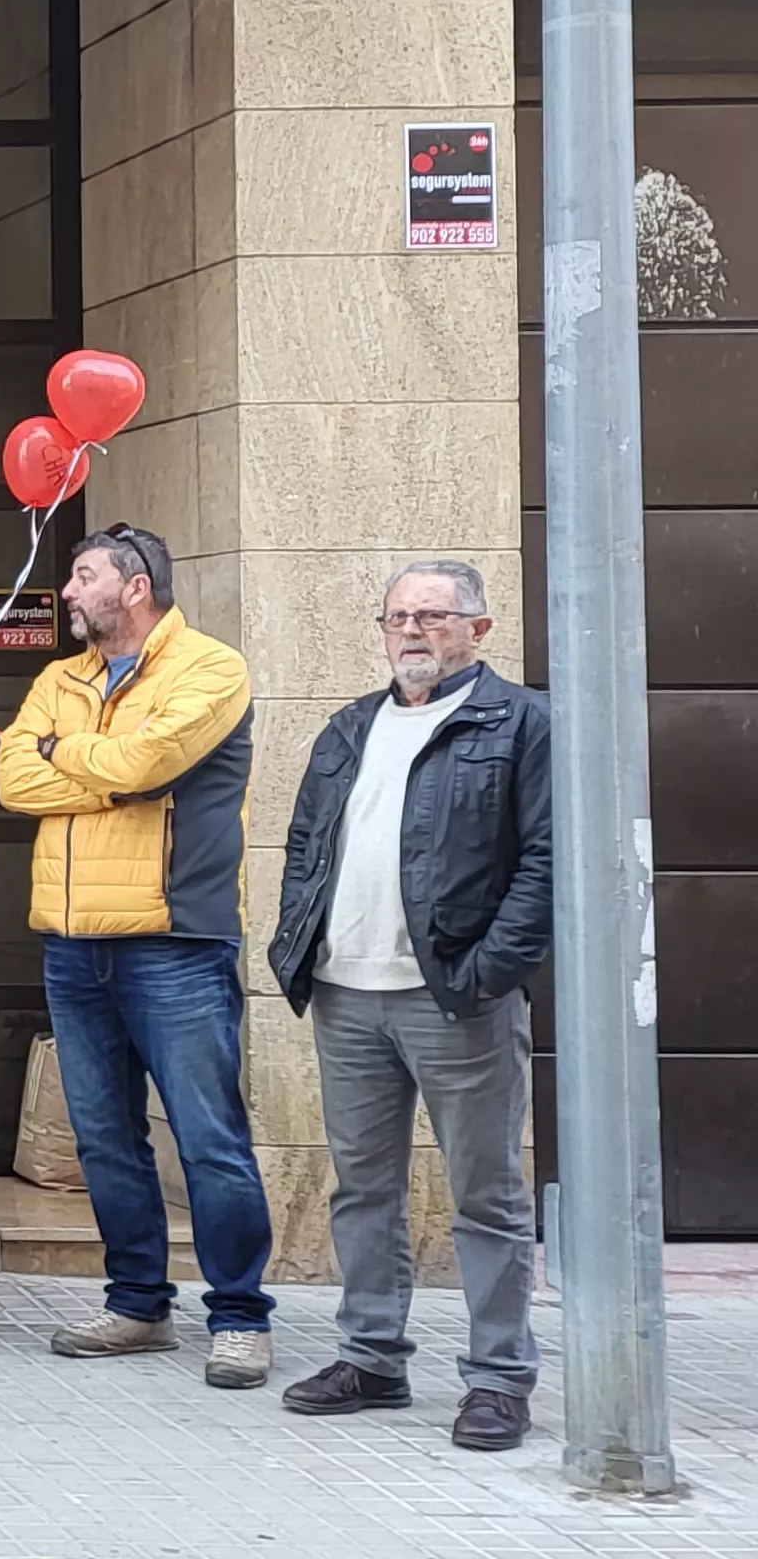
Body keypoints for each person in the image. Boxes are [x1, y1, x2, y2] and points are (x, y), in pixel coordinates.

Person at [265, 562, 550, 1452]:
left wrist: (487, 972)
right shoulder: (352, 724)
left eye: (434, 615)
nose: (414, 631)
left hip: (453, 997)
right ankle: (372, 1357)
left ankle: (499, 1377)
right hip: (349, 993)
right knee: (365, 1188)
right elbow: (307, 844)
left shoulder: (520, 722)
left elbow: (546, 862)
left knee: (486, 1194)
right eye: (399, 616)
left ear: (480, 627)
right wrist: (298, 948)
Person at [0, 522, 272, 1390]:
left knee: (206, 1137)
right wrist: (106, 770)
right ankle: (137, 1304)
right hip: (73, 945)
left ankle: (239, 1317)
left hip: (174, 942)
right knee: (104, 1138)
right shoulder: (57, 678)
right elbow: (12, 780)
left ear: (137, 586)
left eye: (83, 578)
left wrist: (72, 759)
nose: (68, 594)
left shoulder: (212, 670)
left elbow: (154, 760)